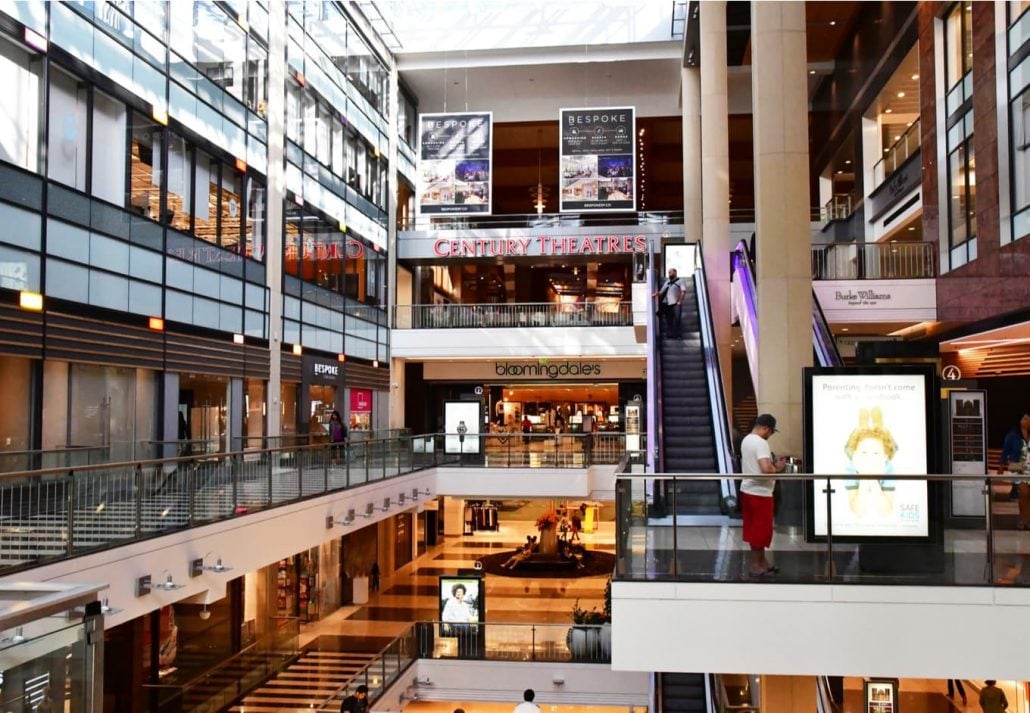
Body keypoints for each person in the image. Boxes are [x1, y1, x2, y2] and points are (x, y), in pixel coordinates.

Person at [739, 414, 787, 577]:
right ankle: (755, 564)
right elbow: (765, 469)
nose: (770, 435)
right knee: (761, 531)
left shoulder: (746, 440)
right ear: (766, 428)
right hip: (761, 493)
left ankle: (762, 562)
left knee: (754, 530)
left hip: (747, 489)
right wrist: (778, 467)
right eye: (771, 432)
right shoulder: (760, 443)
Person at [842, 407, 898, 519]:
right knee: (849, 447)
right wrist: (864, 476)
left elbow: (886, 512)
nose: (870, 458)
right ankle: (863, 425)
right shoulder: (851, 468)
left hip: (883, 454)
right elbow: (858, 512)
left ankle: (878, 425)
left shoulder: (888, 468)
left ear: (884, 458)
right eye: (864, 453)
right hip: (855, 456)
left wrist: (872, 480)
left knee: (892, 446)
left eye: (876, 453)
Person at [1000, 413, 1030, 529]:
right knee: (1024, 494)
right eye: (1023, 418)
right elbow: (1005, 450)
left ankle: (1028, 520)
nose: (1025, 420)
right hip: (1018, 467)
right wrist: (1002, 465)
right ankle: (1023, 519)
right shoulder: (1013, 435)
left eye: (1027, 419)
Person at [653, 268, 685, 339]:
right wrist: (655, 294)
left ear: (675, 273)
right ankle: (669, 335)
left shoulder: (680, 281)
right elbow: (661, 292)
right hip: (667, 304)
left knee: (677, 320)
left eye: (670, 272)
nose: (669, 274)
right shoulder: (667, 282)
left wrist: (680, 301)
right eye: (668, 273)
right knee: (669, 320)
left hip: (676, 303)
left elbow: (683, 291)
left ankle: (678, 335)